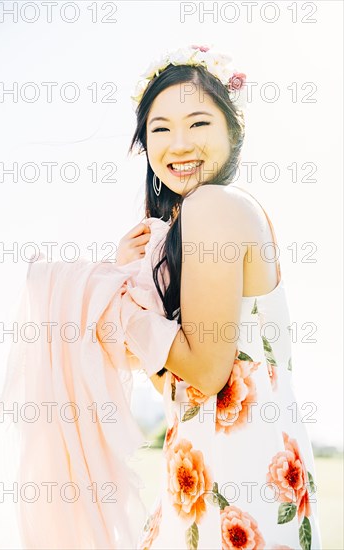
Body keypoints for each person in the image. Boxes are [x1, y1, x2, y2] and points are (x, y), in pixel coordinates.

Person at [119, 44, 323, 549]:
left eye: (198, 123)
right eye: (160, 129)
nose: (179, 144)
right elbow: (176, 384)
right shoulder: (195, 221)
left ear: (234, 131)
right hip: (217, 465)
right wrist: (137, 279)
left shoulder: (215, 206)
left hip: (238, 477)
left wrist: (121, 298)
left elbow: (207, 372)